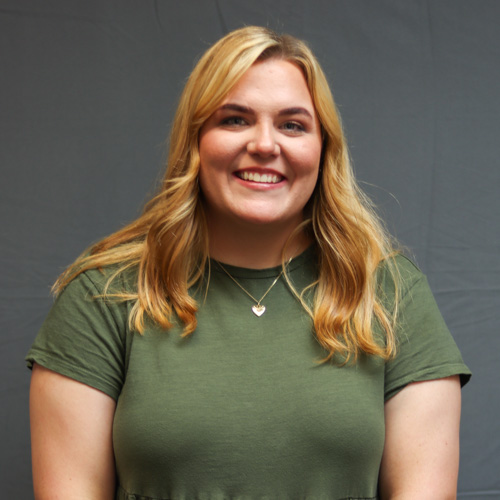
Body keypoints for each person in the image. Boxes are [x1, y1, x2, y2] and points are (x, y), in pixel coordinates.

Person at [27, 26, 471, 499]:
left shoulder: (389, 293)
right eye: (235, 120)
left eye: (293, 124)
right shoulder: (105, 295)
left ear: (324, 149)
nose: (264, 144)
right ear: (195, 141)